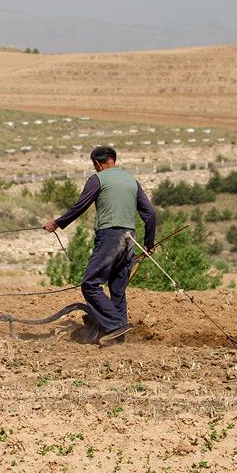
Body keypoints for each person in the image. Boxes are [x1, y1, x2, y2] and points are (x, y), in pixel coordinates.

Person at [44, 146, 157, 345]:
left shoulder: (98, 179)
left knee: (90, 284)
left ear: (97, 163)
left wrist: (57, 223)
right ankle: (117, 337)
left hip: (110, 236)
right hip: (131, 237)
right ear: (113, 159)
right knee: (117, 289)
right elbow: (150, 214)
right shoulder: (132, 181)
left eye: (93, 165)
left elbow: (80, 205)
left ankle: (115, 324)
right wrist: (149, 243)